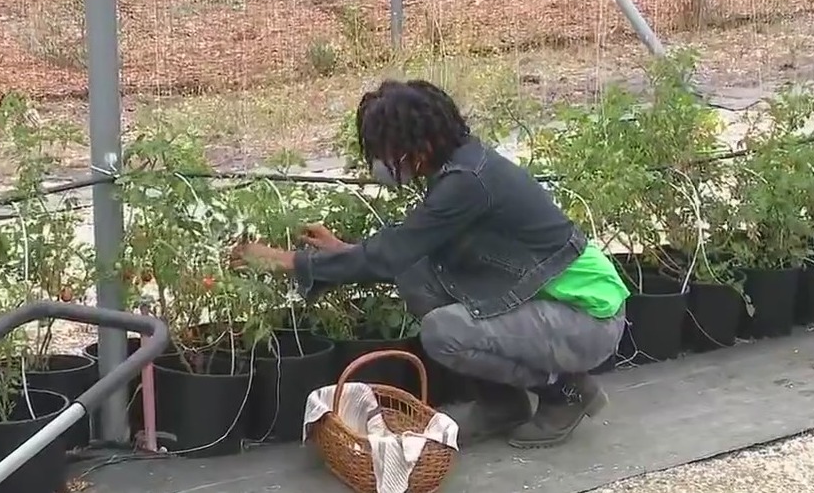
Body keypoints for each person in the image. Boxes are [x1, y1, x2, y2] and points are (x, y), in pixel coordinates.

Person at [231, 79, 629, 449]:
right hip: (553, 305)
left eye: (387, 152)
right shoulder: (460, 167)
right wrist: (342, 252)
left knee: (444, 332)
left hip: (588, 316)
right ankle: (501, 404)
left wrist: (288, 262)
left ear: (417, 147)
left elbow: (394, 250)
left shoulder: (469, 181)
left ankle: (565, 393)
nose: (383, 163)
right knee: (416, 275)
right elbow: (404, 251)